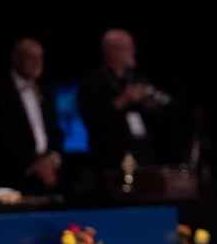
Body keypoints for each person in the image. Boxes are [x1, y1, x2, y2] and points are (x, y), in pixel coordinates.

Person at [77, 27, 180, 180]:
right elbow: (92, 121)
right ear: (111, 52)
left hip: (143, 153)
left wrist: (150, 106)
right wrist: (121, 101)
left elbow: (164, 117)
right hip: (110, 157)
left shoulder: (139, 79)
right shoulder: (93, 82)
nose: (133, 52)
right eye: (127, 48)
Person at [0, 37, 65, 195]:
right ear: (16, 59)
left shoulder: (45, 90)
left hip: (47, 175)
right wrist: (34, 165)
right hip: (13, 177)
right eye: (31, 58)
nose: (37, 62)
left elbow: (54, 130)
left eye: (40, 58)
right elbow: (2, 136)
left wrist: (52, 159)